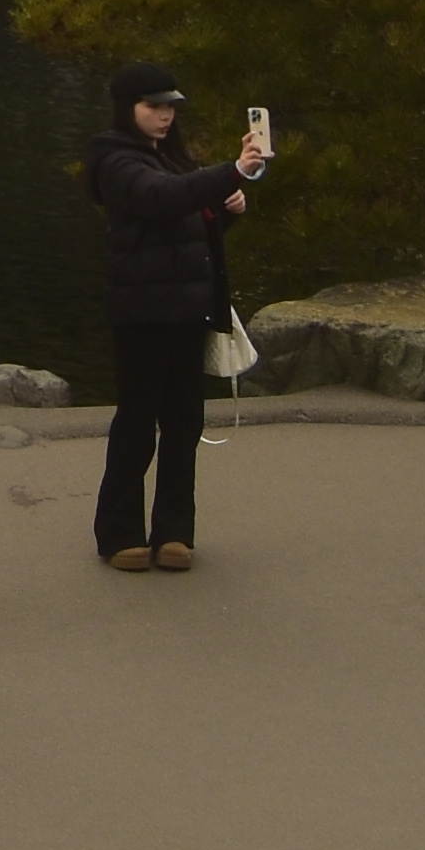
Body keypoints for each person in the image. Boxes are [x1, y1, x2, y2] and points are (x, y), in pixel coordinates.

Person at [86, 66, 264, 573]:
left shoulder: (171, 157)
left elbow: (188, 226)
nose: (165, 116)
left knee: (185, 421)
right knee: (137, 421)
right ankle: (119, 533)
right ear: (128, 108)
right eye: (153, 106)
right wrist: (232, 171)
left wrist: (225, 211)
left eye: (169, 107)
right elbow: (159, 199)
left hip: (187, 308)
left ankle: (174, 532)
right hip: (141, 311)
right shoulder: (115, 159)